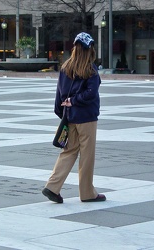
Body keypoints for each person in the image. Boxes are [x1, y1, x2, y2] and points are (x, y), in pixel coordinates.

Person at [42, 32, 106, 204]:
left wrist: (62, 112)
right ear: (90, 48)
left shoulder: (65, 67)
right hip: (86, 118)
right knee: (87, 155)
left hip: (70, 117)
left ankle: (52, 187)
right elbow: (91, 93)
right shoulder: (90, 69)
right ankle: (87, 193)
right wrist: (76, 101)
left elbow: (58, 94)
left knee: (68, 151)